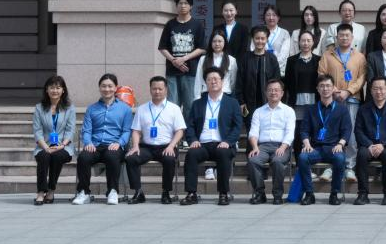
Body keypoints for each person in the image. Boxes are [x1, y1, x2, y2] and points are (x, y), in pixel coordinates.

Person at [181, 67, 242, 206]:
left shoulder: (232, 103)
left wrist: (228, 141)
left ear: (222, 81)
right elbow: (190, 126)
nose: (213, 82)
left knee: (223, 153)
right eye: (209, 79)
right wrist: (193, 140)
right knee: (191, 154)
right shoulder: (198, 103)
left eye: (216, 79)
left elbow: (237, 126)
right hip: (202, 144)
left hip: (223, 144)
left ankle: (223, 193)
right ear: (205, 83)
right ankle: (191, 193)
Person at [71, 73, 133, 205]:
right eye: (104, 86)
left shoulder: (125, 109)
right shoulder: (92, 109)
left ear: (115, 88)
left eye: (110, 86)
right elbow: (86, 130)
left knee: (112, 156)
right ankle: (84, 192)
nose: (107, 89)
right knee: (83, 158)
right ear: (99, 88)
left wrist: (119, 143)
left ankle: (112, 191)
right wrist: (88, 143)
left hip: (114, 145)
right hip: (95, 145)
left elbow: (127, 131)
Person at [124, 76, 186, 204]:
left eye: (160, 89)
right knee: (131, 158)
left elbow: (180, 130)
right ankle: (138, 192)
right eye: (154, 89)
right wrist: (135, 146)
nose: (157, 91)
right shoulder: (142, 109)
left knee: (169, 159)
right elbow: (136, 130)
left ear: (166, 90)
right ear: (150, 89)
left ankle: (166, 192)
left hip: (166, 146)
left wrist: (171, 146)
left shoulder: (174, 108)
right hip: (147, 147)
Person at [318, 23, 366, 180]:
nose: (344, 38)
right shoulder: (327, 55)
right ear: (336, 37)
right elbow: (321, 74)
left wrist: (348, 91)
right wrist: (334, 90)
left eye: (347, 35)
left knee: (350, 134)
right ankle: (330, 166)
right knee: (331, 132)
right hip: (332, 100)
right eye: (341, 35)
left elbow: (362, 78)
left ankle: (349, 166)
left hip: (352, 99)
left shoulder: (359, 57)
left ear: (352, 38)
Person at [296, 74, 351, 205]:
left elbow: (347, 130)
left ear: (333, 88)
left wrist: (340, 144)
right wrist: (306, 143)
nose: (325, 89)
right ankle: (309, 194)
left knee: (340, 159)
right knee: (303, 158)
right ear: (317, 89)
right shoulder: (311, 109)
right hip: (315, 148)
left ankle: (334, 194)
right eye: (322, 86)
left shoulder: (342, 109)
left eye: (328, 86)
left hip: (333, 148)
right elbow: (304, 130)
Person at [354, 76, 386, 205]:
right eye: (375, 88)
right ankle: (362, 194)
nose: (378, 92)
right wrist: (369, 145)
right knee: (361, 155)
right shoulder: (363, 109)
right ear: (370, 91)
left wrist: (383, 144)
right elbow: (358, 131)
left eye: (381, 88)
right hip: (368, 145)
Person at [245, 78, 296, 205]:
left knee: (277, 161)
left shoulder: (288, 111)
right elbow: (253, 132)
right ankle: (260, 194)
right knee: (253, 160)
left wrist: (283, 147)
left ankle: (277, 195)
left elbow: (290, 133)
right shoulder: (258, 111)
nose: (273, 92)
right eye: (270, 90)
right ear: (266, 93)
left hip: (281, 145)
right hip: (262, 146)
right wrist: (255, 147)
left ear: (282, 93)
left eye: (276, 90)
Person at [31, 75, 75, 206]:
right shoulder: (39, 108)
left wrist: (62, 145)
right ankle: (40, 192)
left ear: (63, 90)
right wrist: (46, 147)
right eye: (51, 87)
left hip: (64, 146)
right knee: (43, 157)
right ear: (46, 90)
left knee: (57, 156)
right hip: (44, 145)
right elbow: (37, 131)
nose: (55, 90)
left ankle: (51, 190)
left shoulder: (69, 108)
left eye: (58, 87)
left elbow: (70, 130)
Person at [158, 0, 206, 107]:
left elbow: (202, 48)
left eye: (186, 3)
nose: (183, 6)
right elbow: (162, 47)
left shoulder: (197, 24)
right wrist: (174, 61)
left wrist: (184, 58)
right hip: (172, 71)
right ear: (176, 5)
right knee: (172, 104)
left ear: (191, 6)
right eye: (180, 3)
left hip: (190, 71)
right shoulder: (170, 24)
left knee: (190, 104)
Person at [240, 25, 282, 126]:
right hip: (249, 104)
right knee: (251, 129)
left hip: (268, 102)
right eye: (257, 38)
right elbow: (240, 81)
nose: (260, 41)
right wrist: (241, 102)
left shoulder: (272, 58)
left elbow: (277, 81)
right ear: (253, 39)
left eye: (263, 38)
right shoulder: (245, 58)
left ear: (267, 39)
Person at [284, 30, 320, 141]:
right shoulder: (291, 60)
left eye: (308, 40)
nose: (306, 43)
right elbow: (287, 81)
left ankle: (312, 150)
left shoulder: (319, 60)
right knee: (298, 128)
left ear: (313, 42)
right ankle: (298, 151)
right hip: (297, 100)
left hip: (314, 99)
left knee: (314, 126)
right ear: (299, 42)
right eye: (303, 40)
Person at [193, 30, 238, 98]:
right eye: (214, 41)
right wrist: (197, 97)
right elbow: (198, 80)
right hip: (206, 94)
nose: (217, 44)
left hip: (225, 94)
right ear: (210, 42)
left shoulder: (231, 60)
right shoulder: (203, 59)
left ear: (225, 42)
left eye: (220, 41)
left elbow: (233, 82)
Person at [259, 4, 292, 72]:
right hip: (261, 69)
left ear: (278, 17)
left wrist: (273, 67)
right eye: (268, 15)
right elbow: (253, 49)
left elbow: (284, 55)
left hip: (279, 71)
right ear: (264, 17)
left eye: (274, 15)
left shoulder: (284, 33)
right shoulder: (258, 32)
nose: (271, 18)